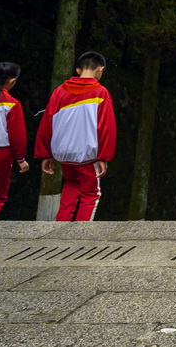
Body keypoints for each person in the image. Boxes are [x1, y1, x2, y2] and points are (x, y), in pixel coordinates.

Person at [35, 52, 116, 221]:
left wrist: (45, 154)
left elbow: (46, 122)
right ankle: (80, 235)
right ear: (100, 69)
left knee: (71, 184)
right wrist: (104, 156)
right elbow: (106, 126)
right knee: (91, 194)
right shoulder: (100, 93)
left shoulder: (59, 91)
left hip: (63, 153)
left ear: (78, 70)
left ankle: (60, 226)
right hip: (87, 154)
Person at [0, 62, 29, 216]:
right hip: (1, 154)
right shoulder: (11, 103)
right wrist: (21, 159)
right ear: (11, 81)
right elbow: (17, 135)